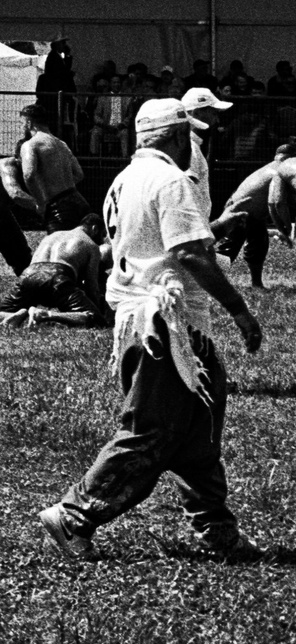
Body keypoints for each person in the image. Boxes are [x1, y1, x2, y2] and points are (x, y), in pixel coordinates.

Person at [39, 97, 265, 563]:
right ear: (180, 136)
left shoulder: (122, 180)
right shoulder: (171, 180)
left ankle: (218, 531)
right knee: (151, 431)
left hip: (146, 320)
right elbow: (189, 254)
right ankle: (74, 514)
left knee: (198, 428)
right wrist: (240, 310)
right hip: (166, 324)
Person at [0, 101, 91, 301]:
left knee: (21, 256)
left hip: (2, 214)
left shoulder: (35, 157)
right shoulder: (8, 166)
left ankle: (32, 294)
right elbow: (15, 193)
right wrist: (40, 205)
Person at [0, 221, 113, 329]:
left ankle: (13, 315)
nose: (102, 241)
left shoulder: (52, 236)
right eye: (102, 235)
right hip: (57, 277)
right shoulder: (91, 245)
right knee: (95, 318)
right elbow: (92, 286)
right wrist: (97, 309)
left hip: (29, 275)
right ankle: (45, 315)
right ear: (94, 229)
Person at [207, 143, 296, 289]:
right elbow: (276, 203)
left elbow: (274, 204)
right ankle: (206, 282)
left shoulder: (273, 169)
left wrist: (282, 228)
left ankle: (256, 284)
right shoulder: (277, 172)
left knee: (258, 248)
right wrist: (285, 228)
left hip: (253, 216)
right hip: (238, 213)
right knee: (226, 252)